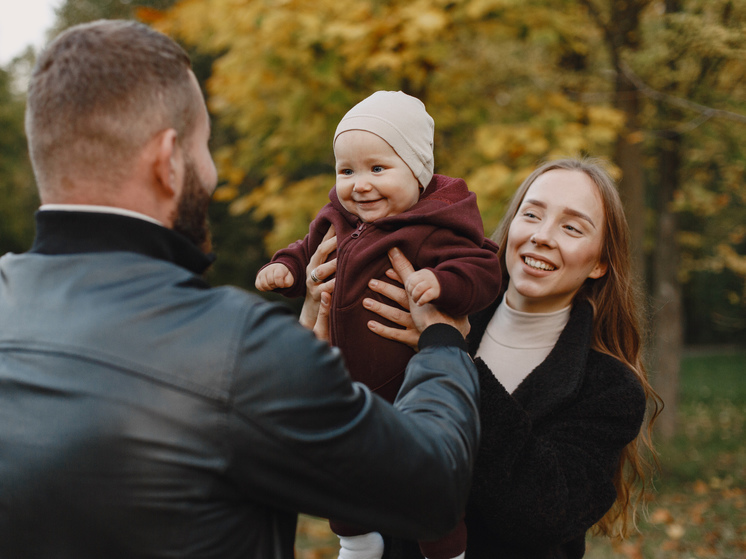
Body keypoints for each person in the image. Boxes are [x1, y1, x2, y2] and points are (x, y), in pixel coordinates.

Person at [0, 20, 482, 559]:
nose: (211, 170)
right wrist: (443, 345)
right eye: (205, 146)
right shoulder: (234, 351)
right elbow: (433, 487)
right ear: (168, 161)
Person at [358, 158, 662, 558]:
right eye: (531, 215)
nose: (541, 236)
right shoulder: (422, 307)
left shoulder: (609, 388)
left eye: (571, 227)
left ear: (600, 262)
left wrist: (448, 352)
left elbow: (543, 513)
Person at [256, 90, 500, 559]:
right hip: (347, 381)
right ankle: (356, 541)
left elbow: (483, 269)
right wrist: (286, 268)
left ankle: (447, 552)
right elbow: (306, 248)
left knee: (426, 477)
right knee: (344, 471)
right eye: (346, 171)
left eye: (377, 169)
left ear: (418, 171)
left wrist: (440, 282)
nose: (359, 185)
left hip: (415, 383)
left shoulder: (438, 225)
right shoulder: (337, 219)